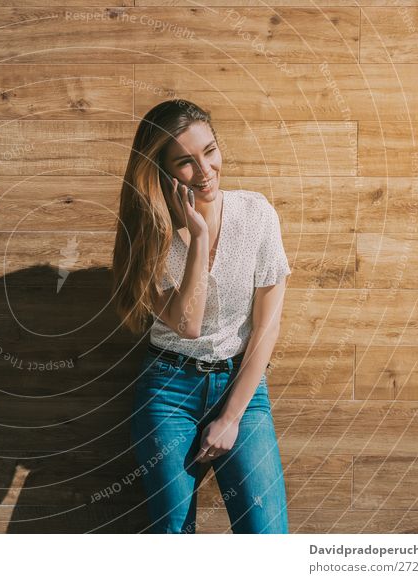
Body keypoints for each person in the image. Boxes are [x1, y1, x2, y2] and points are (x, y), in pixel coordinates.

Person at [111, 98, 292, 534]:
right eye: (186, 162)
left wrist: (229, 418)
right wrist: (197, 236)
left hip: (241, 386)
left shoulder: (257, 214)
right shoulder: (147, 236)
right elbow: (187, 324)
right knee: (173, 535)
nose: (206, 170)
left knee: (266, 534)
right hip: (169, 391)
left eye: (209, 151)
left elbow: (266, 328)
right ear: (162, 170)